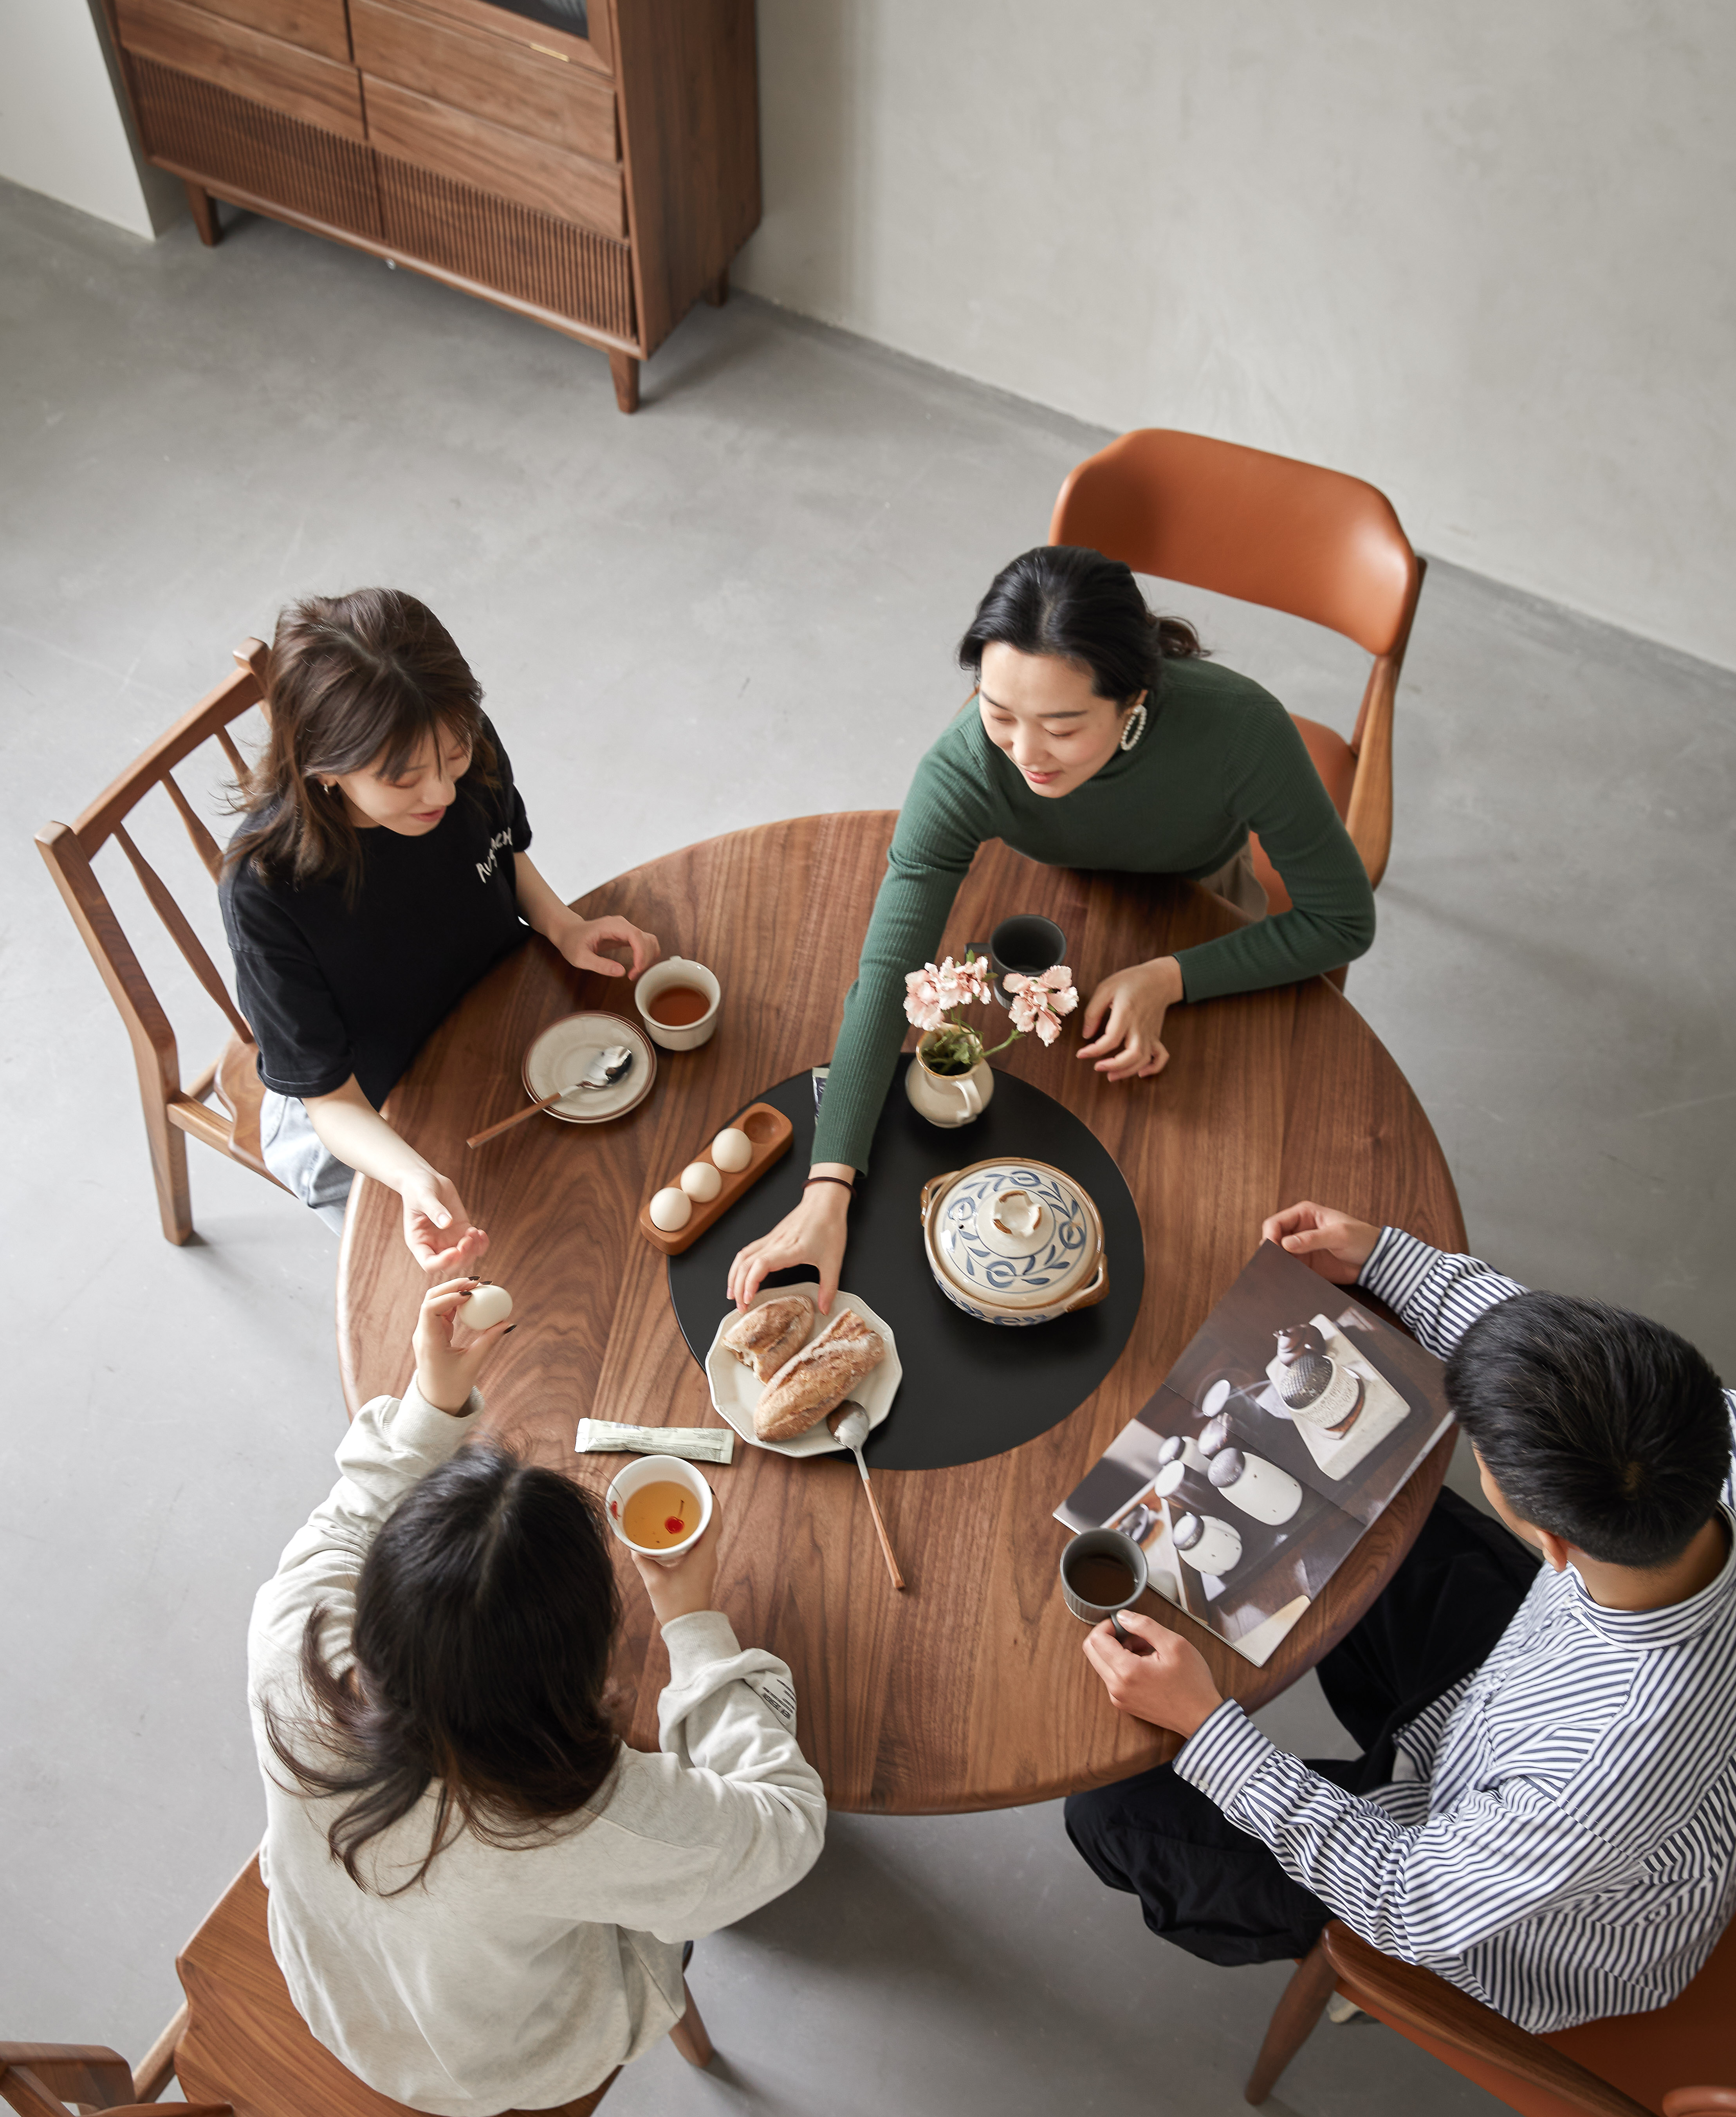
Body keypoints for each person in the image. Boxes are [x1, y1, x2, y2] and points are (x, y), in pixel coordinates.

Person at [1065, 1200, 1736, 2032]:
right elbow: (1572, 1373)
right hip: (1519, 1693)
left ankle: (1347, 1981)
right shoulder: (1705, 1433)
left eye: (1485, 1456)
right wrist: (1391, 1259)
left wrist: (1208, 1729)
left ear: (1554, 1543)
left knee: (1111, 1816)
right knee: (1359, 1517)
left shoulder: (1601, 1772)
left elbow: (1408, 1897)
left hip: (1495, 1892)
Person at [729, 545, 1375, 1315]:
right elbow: (888, 975)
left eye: (1063, 727)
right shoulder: (966, 765)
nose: (1026, 755)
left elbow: (1341, 921)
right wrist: (827, 1187)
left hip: (1200, 901)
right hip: (1052, 900)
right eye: (999, 714)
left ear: (1133, 700)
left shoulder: (1242, 729)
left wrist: (1166, 977)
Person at [248, 1278, 826, 2116]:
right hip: (488, 2060)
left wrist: (433, 1396)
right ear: (578, 1672)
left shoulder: (291, 1640)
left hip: (328, 1973)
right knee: (685, 1883)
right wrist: (694, 1622)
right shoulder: (573, 1821)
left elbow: (345, 1523)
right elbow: (785, 1826)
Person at [220, 588, 659, 1268]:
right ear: (325, 769)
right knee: (496, 1277)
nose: (443, 795)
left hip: (488, 1021)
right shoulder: (269, 890)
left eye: (452, 756)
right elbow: (329, 1103)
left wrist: (562, 924)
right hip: (371, 1111)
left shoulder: (455, 739)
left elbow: (501, 850)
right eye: (403, 779)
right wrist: (410, 1177)